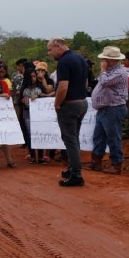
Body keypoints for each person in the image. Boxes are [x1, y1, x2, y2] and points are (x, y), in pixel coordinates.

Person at [48, 37, 89, 187]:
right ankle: (73, 168)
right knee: (74, 138)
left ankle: (76, 175)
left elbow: (63, 87)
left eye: (50, 49)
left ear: (58, 46)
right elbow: (85, 83)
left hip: (70, 105)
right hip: (82, 102)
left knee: (70, 140)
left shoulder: (64, 62)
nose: (49, 53)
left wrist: (57, 104)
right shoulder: (80, 58)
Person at [85, 46, 129, 175]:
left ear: (110, 60)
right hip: (105, 108)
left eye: (105, 59)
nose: (103, 61)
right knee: (99, 136)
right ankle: (96, 161)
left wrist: (103, 70)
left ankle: (116, 164)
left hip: (113, 108)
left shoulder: (119, 72)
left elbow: (105, 83)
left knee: (113, 137)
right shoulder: (110, 71)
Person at [20, 68, 47, 163]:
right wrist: (22, 101)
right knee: (30, 134)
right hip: (27, 113)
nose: (33, 78)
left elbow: (47, 95)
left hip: (39, 114)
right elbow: (20, 100)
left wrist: (39, 96)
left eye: (34, 76)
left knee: (39, 133)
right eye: (31, 77)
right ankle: (32, 156)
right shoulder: (23, 88)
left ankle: (40, 156)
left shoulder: (40, 87)